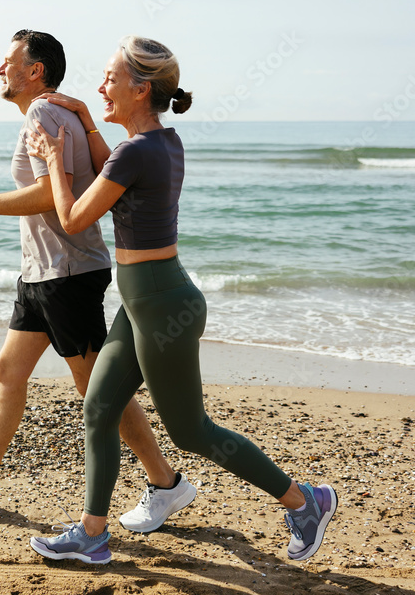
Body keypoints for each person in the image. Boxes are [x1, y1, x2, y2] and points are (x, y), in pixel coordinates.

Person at [25, 36, 337, 565]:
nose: (100, 86)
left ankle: (306, 501)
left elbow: (75, 216)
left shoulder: (136, 151)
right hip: (145, 302)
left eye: (109, 79)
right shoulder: (159, 144)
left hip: (161, 308)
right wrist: (85, 115)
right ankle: (92, 533)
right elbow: (111, 170)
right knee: (99, 410)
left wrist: (54, 160)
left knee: (190, 431)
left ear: (140, 89)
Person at [0, 30, 196, 531]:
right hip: (42, 270)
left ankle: (166, 482)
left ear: (36, 70)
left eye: (8, 62)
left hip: (68, 273)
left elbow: (54, 195)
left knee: (98, 389)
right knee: (9, 369)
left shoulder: (44, 115)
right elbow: (94, 177)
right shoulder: (55, 113)